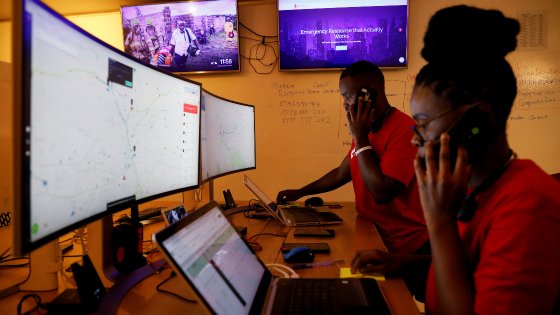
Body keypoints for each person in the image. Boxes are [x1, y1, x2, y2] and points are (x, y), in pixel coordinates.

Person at [350, 6, 560, 314]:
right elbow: (473, 263)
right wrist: (402, 263)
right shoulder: (477, 186)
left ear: (477, 120)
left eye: (423, 123)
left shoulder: (528, 208)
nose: (414, 138)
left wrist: (439, 222)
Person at [277, 61, 429, 256]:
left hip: (403, 245)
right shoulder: (367, 128)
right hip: (372, 230)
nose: (344, 103)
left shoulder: (404, 132)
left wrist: (359, 137)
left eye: (348, 96)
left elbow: (382, 193)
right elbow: (342, 172)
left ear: (370, 92)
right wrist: (300, 192)